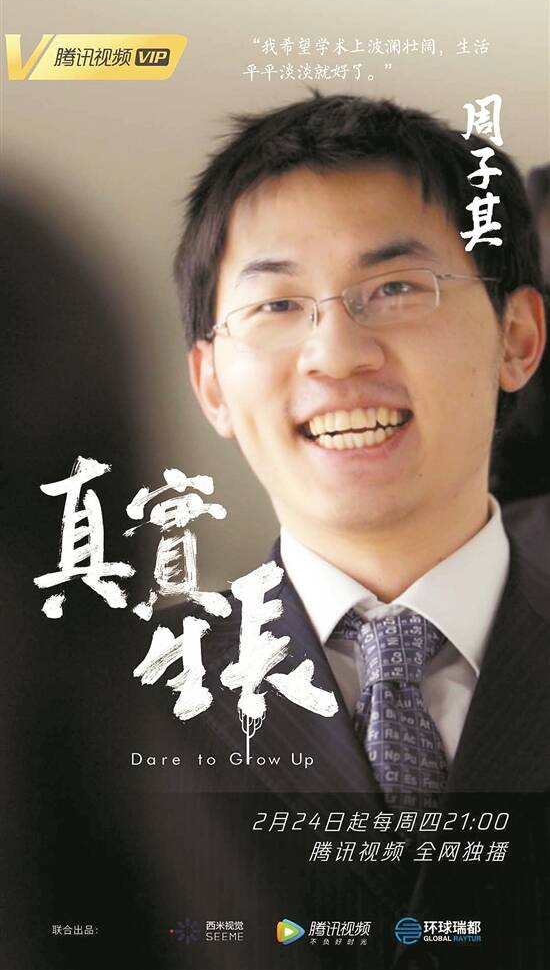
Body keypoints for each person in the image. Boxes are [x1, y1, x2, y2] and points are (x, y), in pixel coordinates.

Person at [171, 94, 549, 970]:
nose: (337, 354)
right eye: (276, 304)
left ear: (517, 338)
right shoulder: (111, 704)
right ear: (213, 383)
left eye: (396, 288)